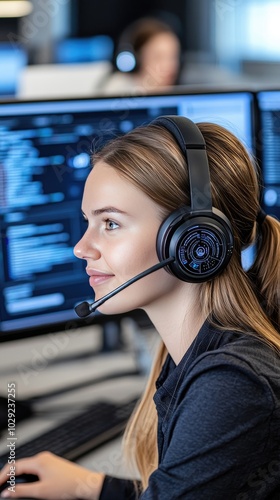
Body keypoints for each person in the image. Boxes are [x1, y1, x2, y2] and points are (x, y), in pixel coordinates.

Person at [0, 115, 280, 499]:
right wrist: (91, 487)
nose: (82, 248)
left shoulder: (232, 383)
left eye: (110, 223)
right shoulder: (195, 351)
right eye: (88, 222)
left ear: (192, 239)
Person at [102, 17, 181, 95]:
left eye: (173, 57)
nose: (169, 66)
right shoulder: (118, 89)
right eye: (157, 57)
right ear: (137, 60)